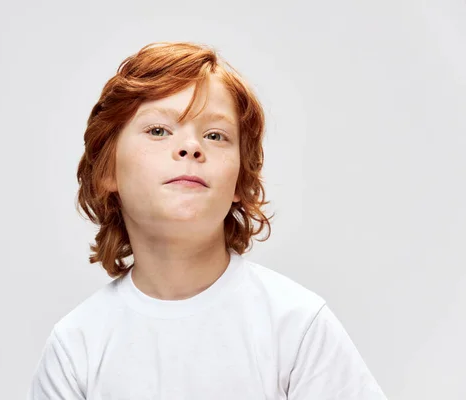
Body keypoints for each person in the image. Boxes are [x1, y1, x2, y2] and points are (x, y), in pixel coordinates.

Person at [27, 41, 387, 399]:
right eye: (158, 131)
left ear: (238, 182)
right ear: (108, 172)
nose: (190, 147)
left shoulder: (297, 327)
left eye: (215, 135)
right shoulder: (76, 348)